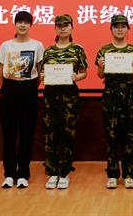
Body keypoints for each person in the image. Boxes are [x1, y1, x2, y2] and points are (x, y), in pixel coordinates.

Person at [0, 10, 44, 189]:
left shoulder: (37, 45)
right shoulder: (6, 45)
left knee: (26, 133)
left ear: (30, 25)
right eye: (19, 22)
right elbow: (0, 70)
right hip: (9, 90)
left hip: (29, 90)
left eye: (26, 22)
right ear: (15, 24)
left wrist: (29, 86)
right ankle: (9, 174)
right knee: (8, 134)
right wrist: (7, 88)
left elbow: (39, 69)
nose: (22, 25)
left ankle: (23, 173)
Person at [95, 14, 133, 189]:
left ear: (128, 29)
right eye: (116, 26)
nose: (120, 29)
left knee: (129, 135)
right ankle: (112, 174)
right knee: (111, 135)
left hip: (128, 95)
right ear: (111, 29)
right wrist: (101, 65)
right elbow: (100, 75)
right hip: (110, 94)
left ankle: (129, 174)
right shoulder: (104, 50)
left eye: (123, 26)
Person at [40, 14, 87, 190]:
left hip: (69, 95)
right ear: (55, 28)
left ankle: (65, 172)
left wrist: (76, 77)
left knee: (68, 133)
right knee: (50, 133)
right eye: (59, 25)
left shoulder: (77, 49)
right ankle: (52, 172)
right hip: (50, 94)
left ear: (72, 27)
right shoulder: (48, 51)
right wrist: (43, 77)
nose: (62, 28)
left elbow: (84, 72)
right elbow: (42, 73)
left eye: (66, 25)